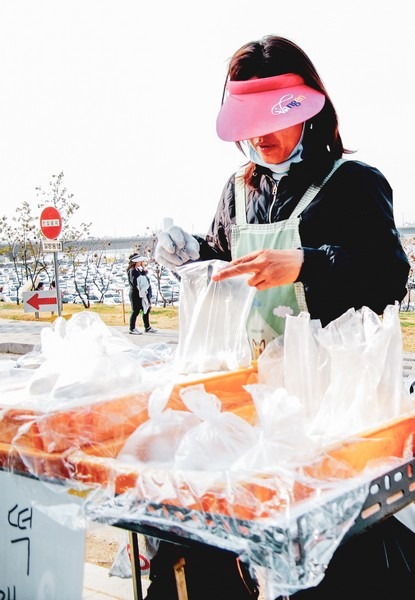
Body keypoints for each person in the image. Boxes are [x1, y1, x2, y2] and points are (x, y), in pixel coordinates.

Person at [152, 35, 411, 599]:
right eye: (249, 122)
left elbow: (391, 275)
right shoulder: (238, 190)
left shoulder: (353, 183)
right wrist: (191, 253)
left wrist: (308, 264)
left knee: (327, 562)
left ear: (309, 110)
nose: (262, 136)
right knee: (229, 538)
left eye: (274, 119)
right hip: (253, 399)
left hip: (329, 410)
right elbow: (228, 260)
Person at [127, 253, 157, 335]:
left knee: (146, 309)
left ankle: (147, 327)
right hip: (135, 294)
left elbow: (145, 274)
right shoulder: (132, 271)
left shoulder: (138, 270)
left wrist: (143, 268)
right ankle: (132, 328)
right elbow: (135, 282)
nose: (141, 262)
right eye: (140, 261)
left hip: (142, 294)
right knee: (135, 311)